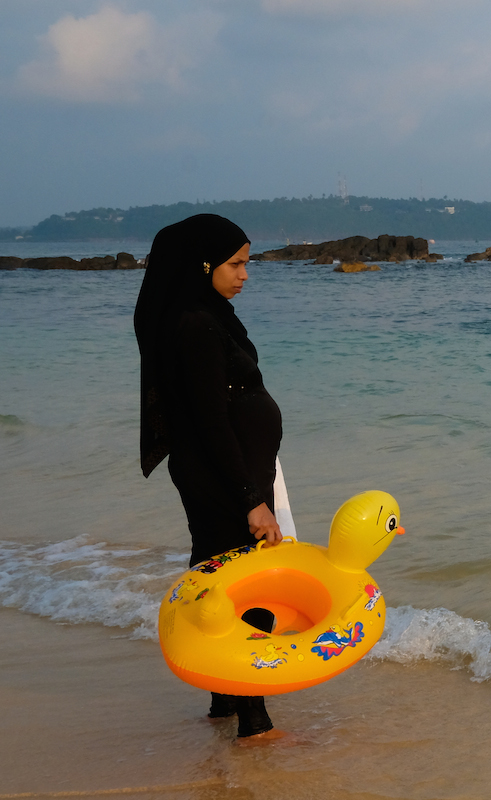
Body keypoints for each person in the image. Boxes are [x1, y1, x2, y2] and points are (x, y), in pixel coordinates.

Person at [134, 214, 285, 743]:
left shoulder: (206, 315)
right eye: (236, 264)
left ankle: (225, 700)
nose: (245, 274)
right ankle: (254, 721)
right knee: (246, 593)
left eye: (248, 263)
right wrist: (251, 500)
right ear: (204, 265)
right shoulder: (197, 325)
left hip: (223, 471)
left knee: (218, 581)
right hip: (224, 477)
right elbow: (210, 419)